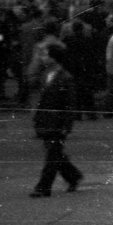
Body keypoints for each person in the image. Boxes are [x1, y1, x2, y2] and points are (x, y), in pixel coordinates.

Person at [30, 45, 83, 197]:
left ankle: (43, 187)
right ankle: (73, 176)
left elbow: (70, 104)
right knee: (55, 154)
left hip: (58, 123)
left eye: (46, 55)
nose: (43, 57)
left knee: (52, 155)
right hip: (46, 121)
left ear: (54, 58)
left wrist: (67, 124)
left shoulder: (66, 78)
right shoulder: (45, 74)